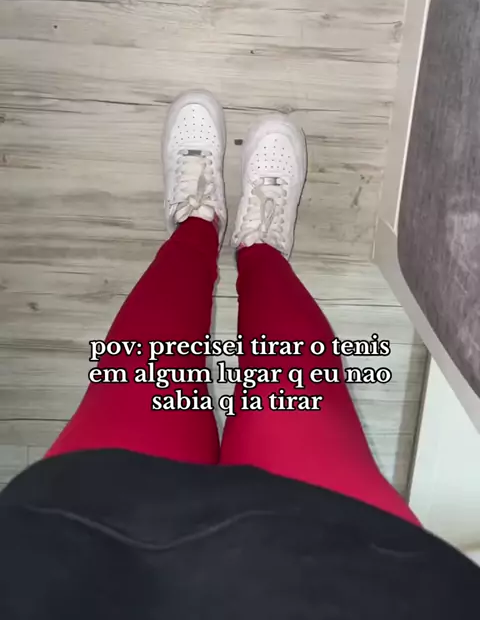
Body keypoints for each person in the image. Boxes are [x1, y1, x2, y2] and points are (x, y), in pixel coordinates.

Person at [0, 90, 478, 618]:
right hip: (347, 580)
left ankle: (199, 224)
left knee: (142, 381)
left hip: (73, 566)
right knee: (293, 398)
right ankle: (259, 248)